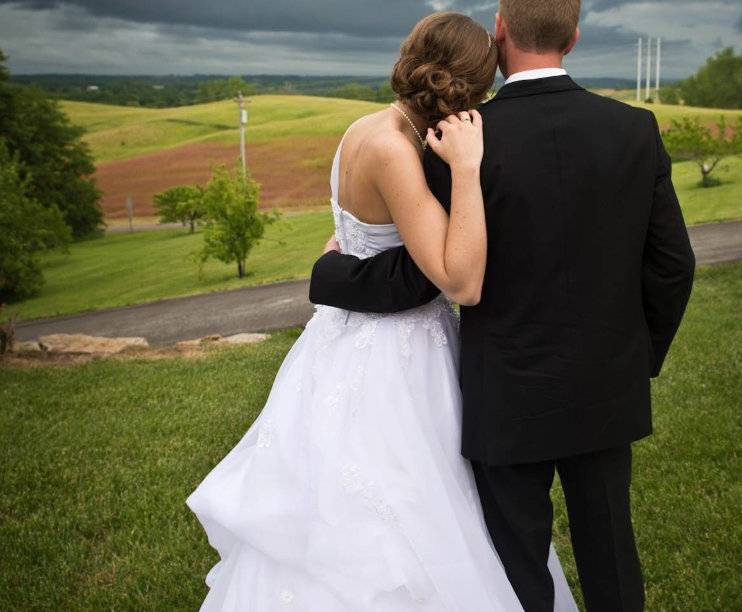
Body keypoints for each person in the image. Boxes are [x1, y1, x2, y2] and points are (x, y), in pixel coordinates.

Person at [308, 1, 697, 611]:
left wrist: (333, 274)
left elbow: (423, 276)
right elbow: (674, 266)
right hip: (605, 384)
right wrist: (635, 359)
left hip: (506, 394)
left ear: (500, 30)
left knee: (515, 563)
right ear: (573, 36)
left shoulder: (458, 139)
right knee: (611, 551)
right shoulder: (634, 128)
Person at [186, 11, 578, 612]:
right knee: (408, 509)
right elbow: (460, 279)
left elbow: (354, 239)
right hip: (397, 358)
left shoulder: (364, 128)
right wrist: (468, 169)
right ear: (467, 92)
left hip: (343, 339)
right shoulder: (395, 150)